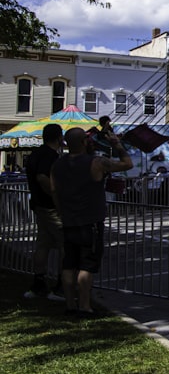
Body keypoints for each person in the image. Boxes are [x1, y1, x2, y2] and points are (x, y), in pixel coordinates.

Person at [50, 127, 133, 316]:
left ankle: (70, 304)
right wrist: (117, 144)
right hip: (90, 222)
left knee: (69, 264)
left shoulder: (57, 165)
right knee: (87, 265)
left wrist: (61, 212)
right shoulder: (96, 162)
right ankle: (85, 306)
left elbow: (54, 191)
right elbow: (127, 164)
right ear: (84, 142)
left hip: (69, 220)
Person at [23, 123, 65, 300]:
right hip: (51, 207)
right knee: (65, 245)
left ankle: (38, 283)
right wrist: (56, 196)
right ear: (58, 138)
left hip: (39, 205)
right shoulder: (49, 156)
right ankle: (61, 286)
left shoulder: (35, 154)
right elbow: (42, 177)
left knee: (44, 244)